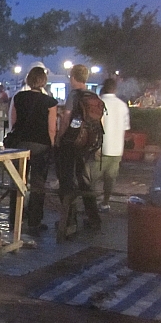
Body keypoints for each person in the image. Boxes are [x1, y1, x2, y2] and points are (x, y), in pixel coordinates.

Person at [8, 67, 58, 236]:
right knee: (38, 183)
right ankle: (35, 220)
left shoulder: (19, 98)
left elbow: (13, 122)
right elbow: (52, 129)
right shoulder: (50, 102)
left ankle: (15, 217)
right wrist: (52, 146)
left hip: (20, 143)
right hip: (40, 145)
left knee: (17, 180)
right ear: (43, 80)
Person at [56, 64, 102, 232]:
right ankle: (94, 218)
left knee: (67, 181)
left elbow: (66, 120)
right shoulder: (93, 95)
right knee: (85, 180)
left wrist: (59, 138)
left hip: (72, 142)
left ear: (74, 78)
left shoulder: (74, 95)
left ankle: (68, 220)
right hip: (88, 143)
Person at [93, 78, 130, 212]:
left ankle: (90, 207)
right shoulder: (122, 105)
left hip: (99, 148)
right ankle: (105, 203)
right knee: (110, 179)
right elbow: (125, 128)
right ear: (115, 89)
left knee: (91, 180)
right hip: (116, 148)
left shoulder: (98, 103)